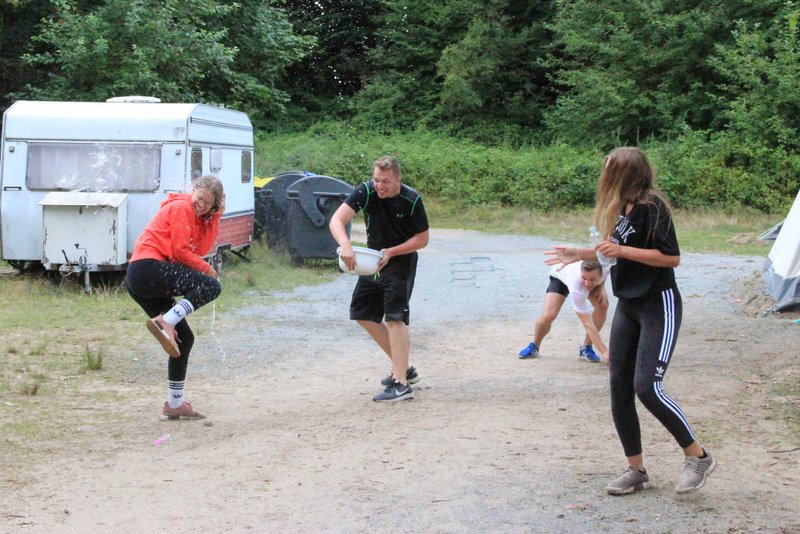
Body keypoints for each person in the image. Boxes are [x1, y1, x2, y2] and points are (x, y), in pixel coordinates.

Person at [545, 147, 716, 495]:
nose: (603, 175)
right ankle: (636, 470)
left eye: (608, 169)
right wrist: (582, 254)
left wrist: (621, 251)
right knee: (619, 386)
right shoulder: (622, 208)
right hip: (629, 305)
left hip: (658, 304)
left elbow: (671, 257)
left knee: (647, 386)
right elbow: (612, 251)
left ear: (626, 173)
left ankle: (697, 457)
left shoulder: (653, 206)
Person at [329, 155, 430, 402]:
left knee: (395, 317)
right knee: (362, 312)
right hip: (373, 261)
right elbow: (337, 220)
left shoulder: (412, 200)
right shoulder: (366, 191)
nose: (379, 186)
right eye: (376, 180)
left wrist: (392, 251)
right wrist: (345, 245)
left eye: (385, 181)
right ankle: (404, 369)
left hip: (401, 261)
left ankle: (401, 384)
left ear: (398, 180)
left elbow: (422, 239)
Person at [125, 175, 224, 420]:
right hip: (146, 269)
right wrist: (207, 269)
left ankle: (175, 403)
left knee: (185, 339)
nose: (201, 205)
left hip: (143, 278)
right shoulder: (181, 207)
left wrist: (216, 216)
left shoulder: (198, 216)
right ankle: (166, 321)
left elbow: (201, 249)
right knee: (211, 286)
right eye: (199, 198)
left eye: (207, 203)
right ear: (194, 190)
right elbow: (180, 252)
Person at [518, 260, 609, 364]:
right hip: (560, 277)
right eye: (584, 278)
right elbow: (587, 323)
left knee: (603, 305)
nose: (587, 284)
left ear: (601, 274)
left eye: (592, 279)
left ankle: (586, 348)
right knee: (548, 315)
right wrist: (605, 352)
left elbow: (605, 274)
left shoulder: (606, 267)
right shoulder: (576, 286)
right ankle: (535, 345)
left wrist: (601, 287)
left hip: (586, 278)